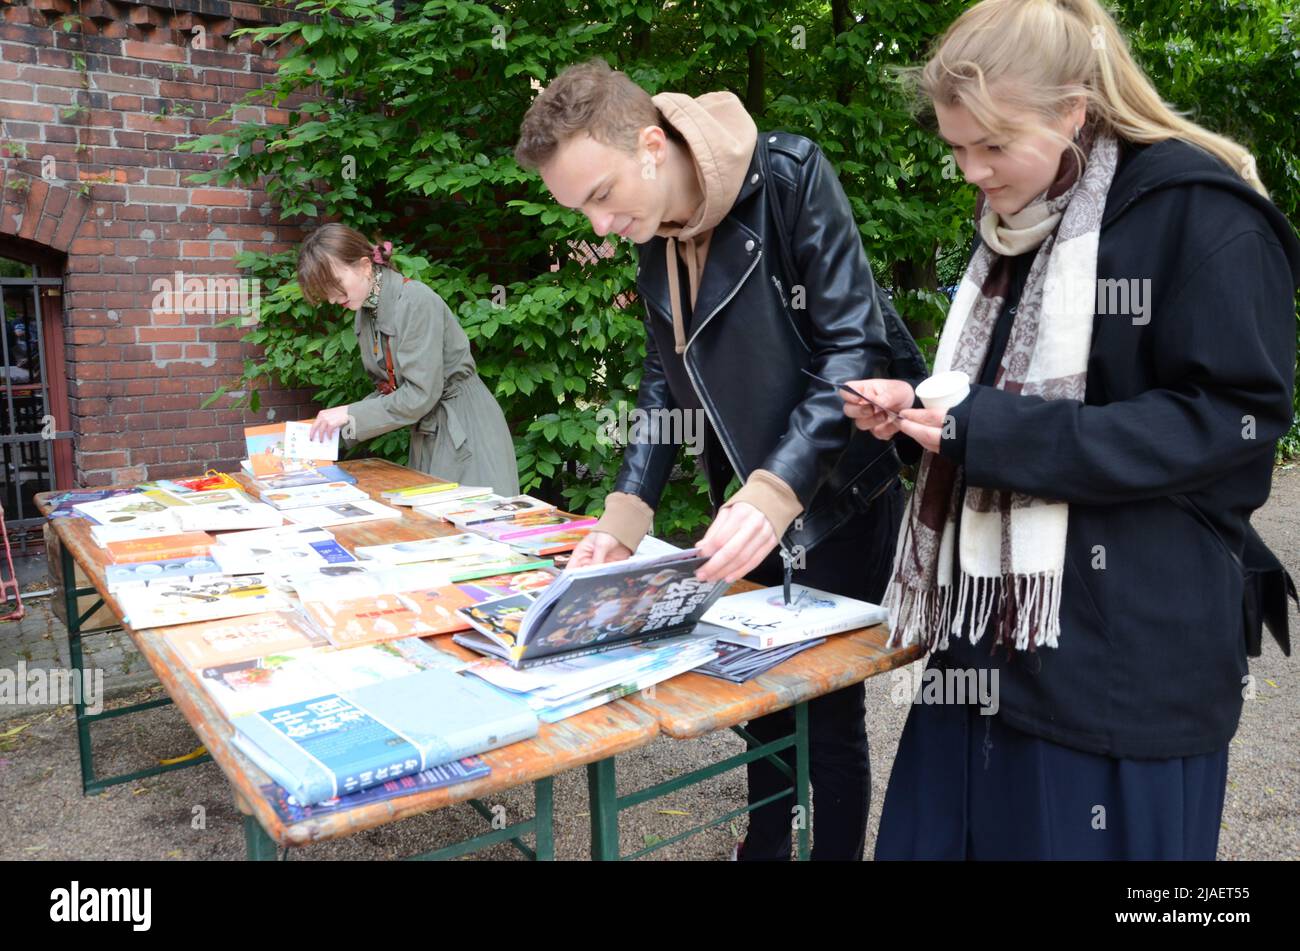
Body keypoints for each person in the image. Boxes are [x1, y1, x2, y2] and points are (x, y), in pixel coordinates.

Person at [842, 0, 1299, 859]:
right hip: (987, 647)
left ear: (1071, 112)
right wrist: (921, 408)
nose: (971, 171)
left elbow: (1229, 424)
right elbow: (1001, 397)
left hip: (1123, 672)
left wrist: (994, 430)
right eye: (956, 147)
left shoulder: (1207, 214)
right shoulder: (1032, 210)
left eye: (990, 146)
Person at [515, 59, 924, 860]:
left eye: (600, 196)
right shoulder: (648, 231)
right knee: (761, 704)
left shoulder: (792, 174)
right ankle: (764, 847)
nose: (598, 225)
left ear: (650, 145)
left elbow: (853, 347)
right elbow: (662, 381)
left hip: (838, 492)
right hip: (751, 505)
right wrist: (625, 517)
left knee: (828, 714)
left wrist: (775, 493)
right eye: (580, 210)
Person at [295, 223, 520, 495]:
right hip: (428, 431)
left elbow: (419, 395)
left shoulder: (415, 300)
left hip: (467, 430)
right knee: (432, 528)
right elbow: (388, 391)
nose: (331, 298)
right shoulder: (365, 311)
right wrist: (324, 437)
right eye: (324, 291)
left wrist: (348, 414)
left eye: (335, 285)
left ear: (365, 266)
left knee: (476, 529)